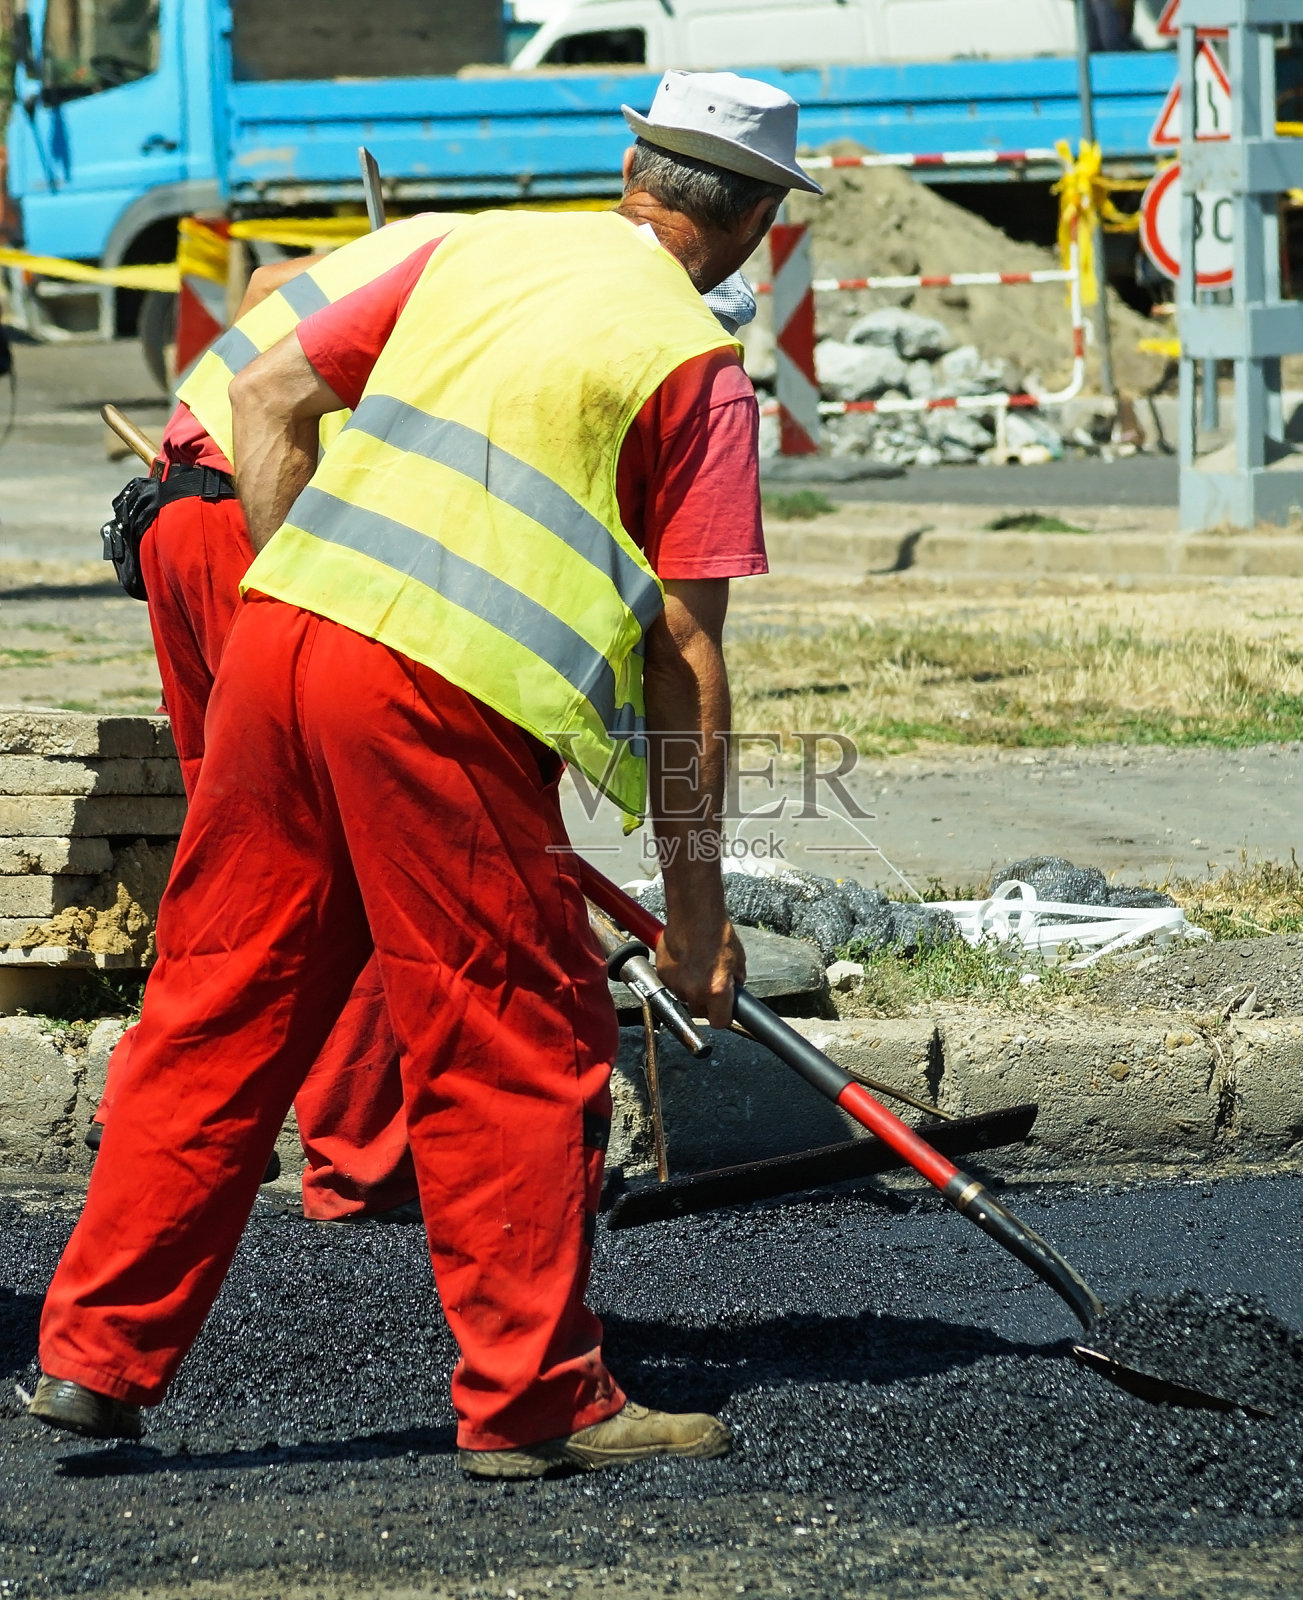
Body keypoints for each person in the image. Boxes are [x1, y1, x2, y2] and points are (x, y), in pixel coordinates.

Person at [29, 70, 821, 1478]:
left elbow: (268, 391)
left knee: (219, 1005)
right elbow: (686, 658)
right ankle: (535, 1405)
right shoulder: (695, 367)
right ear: (757, 219)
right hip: (434, 697)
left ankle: (94, 1355)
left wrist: (306, 592)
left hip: (282, 641)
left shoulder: (482, 250)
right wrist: (696, 911)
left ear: (634, 171)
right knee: (515, 1032)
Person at [89, 217, 461, 1223]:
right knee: (354, 843)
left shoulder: (451, 246)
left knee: (232, 843)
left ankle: (153, 1115)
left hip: (186, 513)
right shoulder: (541, 294)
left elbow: (264, 287)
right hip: (258, 528)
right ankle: (359, 1161)